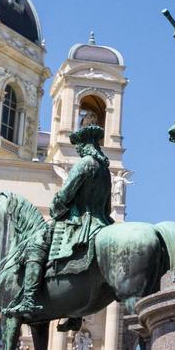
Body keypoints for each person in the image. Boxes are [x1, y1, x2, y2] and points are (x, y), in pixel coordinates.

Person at [6, 123, 114, 321]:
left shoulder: (84, 164)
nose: (78, 149)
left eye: (79, 145)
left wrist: (56, 206)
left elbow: (66, 194)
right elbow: (108, 205)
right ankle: (76, 314)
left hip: (80, 223)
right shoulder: (105, 169)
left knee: (36, 246)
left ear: (85, 145)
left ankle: (29, 298)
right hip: (103, 222)